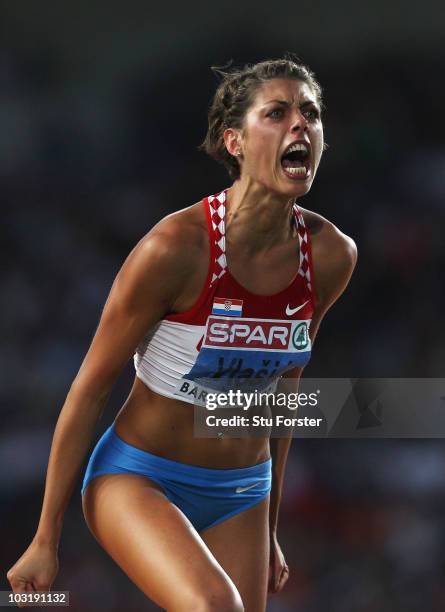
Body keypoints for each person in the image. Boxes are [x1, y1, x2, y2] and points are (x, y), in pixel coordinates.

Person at [7, 58, 357, 611]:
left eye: (310, 114)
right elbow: (90, 388)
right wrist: (45, 536)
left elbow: (283, 395)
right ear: (235, 141)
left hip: (244, 490)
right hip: (140, 477)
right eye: (278, 112)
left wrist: (269, 522)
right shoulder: (174, 249)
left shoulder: (332, 255)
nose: (300, 125)